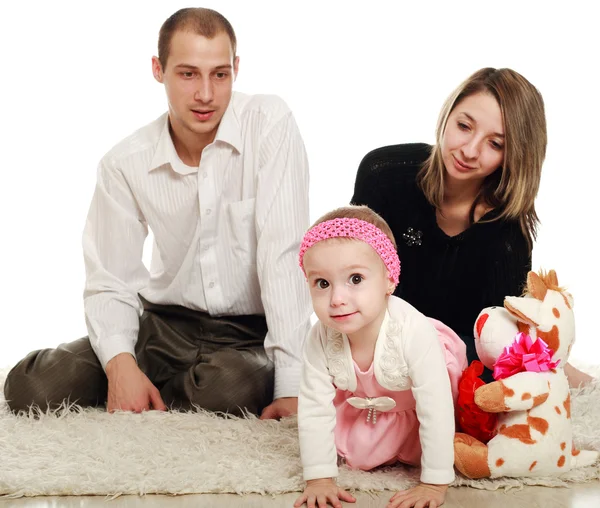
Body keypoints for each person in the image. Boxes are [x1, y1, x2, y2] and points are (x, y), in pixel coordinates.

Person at [3, 7, 312, 419]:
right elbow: (111, 278)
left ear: (236, 69)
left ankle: (170, 393)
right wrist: (120, 364)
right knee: (34, 386)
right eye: (188, 74)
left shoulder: (270, 124)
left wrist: (290, 387)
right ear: (158, 69)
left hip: (246, 338)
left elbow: (284, 256)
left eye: (220, 74)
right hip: (161, 328)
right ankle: (154, 385)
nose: (205, 93)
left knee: (223, 390)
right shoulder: (125, 162)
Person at [351, 67, 592, 387]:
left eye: (495, 144)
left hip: (453, 364)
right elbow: (346, 272)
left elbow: (493, 346)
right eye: (464, 126)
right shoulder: (383, 173)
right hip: (370, 347)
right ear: (448, 114)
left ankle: (561, 369)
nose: (469, 150)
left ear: (513, 156)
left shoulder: (507, 237)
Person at [294, 205, 467, 508]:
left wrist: (434, 483)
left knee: (451, 417)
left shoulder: (413, 331)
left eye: (356, 279)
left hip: (420, 400)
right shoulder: (320, 336)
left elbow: (436, 407)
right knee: (351, 449)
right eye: (322, 283)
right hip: (368, 401)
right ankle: (379, 434)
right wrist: (319, 478)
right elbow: (313, 406)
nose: (337, 299)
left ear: (389, 280)